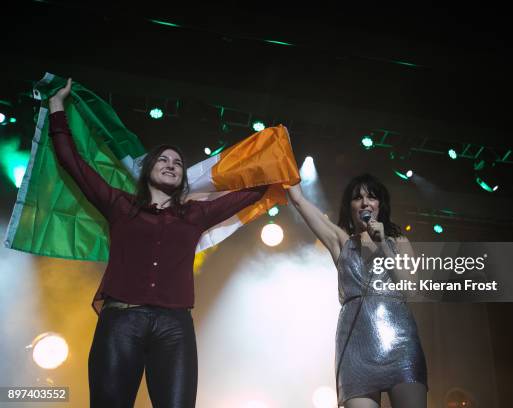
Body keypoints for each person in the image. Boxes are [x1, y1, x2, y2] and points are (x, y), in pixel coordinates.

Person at [49, 79, 268, 408]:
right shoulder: (119, 205)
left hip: (174, 327)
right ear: (147, 169)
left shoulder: (195, 215)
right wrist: (56, 106)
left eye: (178, 163)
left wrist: (276, 153)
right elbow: (72, 161)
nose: (172, 165)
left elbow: (253, 191)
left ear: (183, 179)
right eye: (163, 160)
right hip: (121, 321)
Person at [288, 174, 428, 408]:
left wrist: (383, 244)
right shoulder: (342, 241)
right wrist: (285, 158)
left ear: (379, 206)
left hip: (400, 343)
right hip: (356, 346)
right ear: (350, 207)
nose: (365, 203)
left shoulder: (398, 241)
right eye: (358, 198)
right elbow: (299, 200)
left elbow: (411, 288)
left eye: (371, 197)